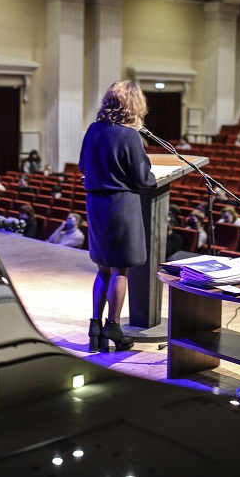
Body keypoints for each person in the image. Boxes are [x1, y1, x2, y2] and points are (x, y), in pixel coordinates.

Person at [78, 80, 158, 353]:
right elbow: (143, 177)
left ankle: (95, 326)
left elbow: (83, 166)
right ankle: (113, 327)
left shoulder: (93, 130)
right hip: (121, 206)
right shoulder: (129, 136)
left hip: (96, 204)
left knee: (103, 267)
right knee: (120, 270)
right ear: (135, 105)